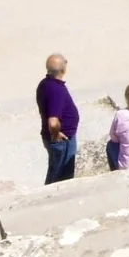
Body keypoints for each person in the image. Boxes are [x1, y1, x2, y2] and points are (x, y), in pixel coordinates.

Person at [36, 53, 80, 184]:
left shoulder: (45, 84)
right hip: (63, 140)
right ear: (63, 70)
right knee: (62, 175)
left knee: (54, 170)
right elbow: (53, 122)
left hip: (57, 138)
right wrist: (56, 136)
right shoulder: (57, 90)